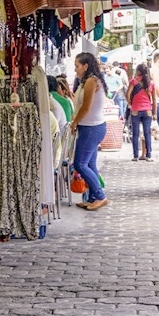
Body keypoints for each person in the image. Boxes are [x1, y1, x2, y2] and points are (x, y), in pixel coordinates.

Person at [71, 52, 109, 211]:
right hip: (90, 127)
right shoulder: (86, 81)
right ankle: (93, 197)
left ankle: (100, 196)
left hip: (91, 128)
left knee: (80, 164)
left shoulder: (91, 81)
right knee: (90, 163)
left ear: (85, 66)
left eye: (77, 66)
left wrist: (75, 122)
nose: (75, 70)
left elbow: (86, 108)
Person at [126, 63, 157, 162]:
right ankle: (148, 155)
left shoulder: (134, 81)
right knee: (147, 133)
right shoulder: (151, 83)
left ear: (138, 71)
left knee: (135, 133)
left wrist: (130, 103)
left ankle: (135, 155)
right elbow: (154, 100)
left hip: (135, 110)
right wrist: (155, 113)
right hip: (147, 110)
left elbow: (127, 94)